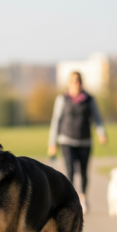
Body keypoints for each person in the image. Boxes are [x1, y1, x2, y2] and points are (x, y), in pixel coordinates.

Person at [47, 71, 107, 214]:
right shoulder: (62, 99)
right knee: (70, 171)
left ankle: (84, 197)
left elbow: (97, 119)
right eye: (73, 81)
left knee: (84, 172)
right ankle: (71, 201)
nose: (76, 83)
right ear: (69, 83)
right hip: (66, 140)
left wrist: (102, 134)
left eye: (78, 80)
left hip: (85, 141)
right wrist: (52, 143)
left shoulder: (89, 99)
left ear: (81, 83)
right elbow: (56, 121)